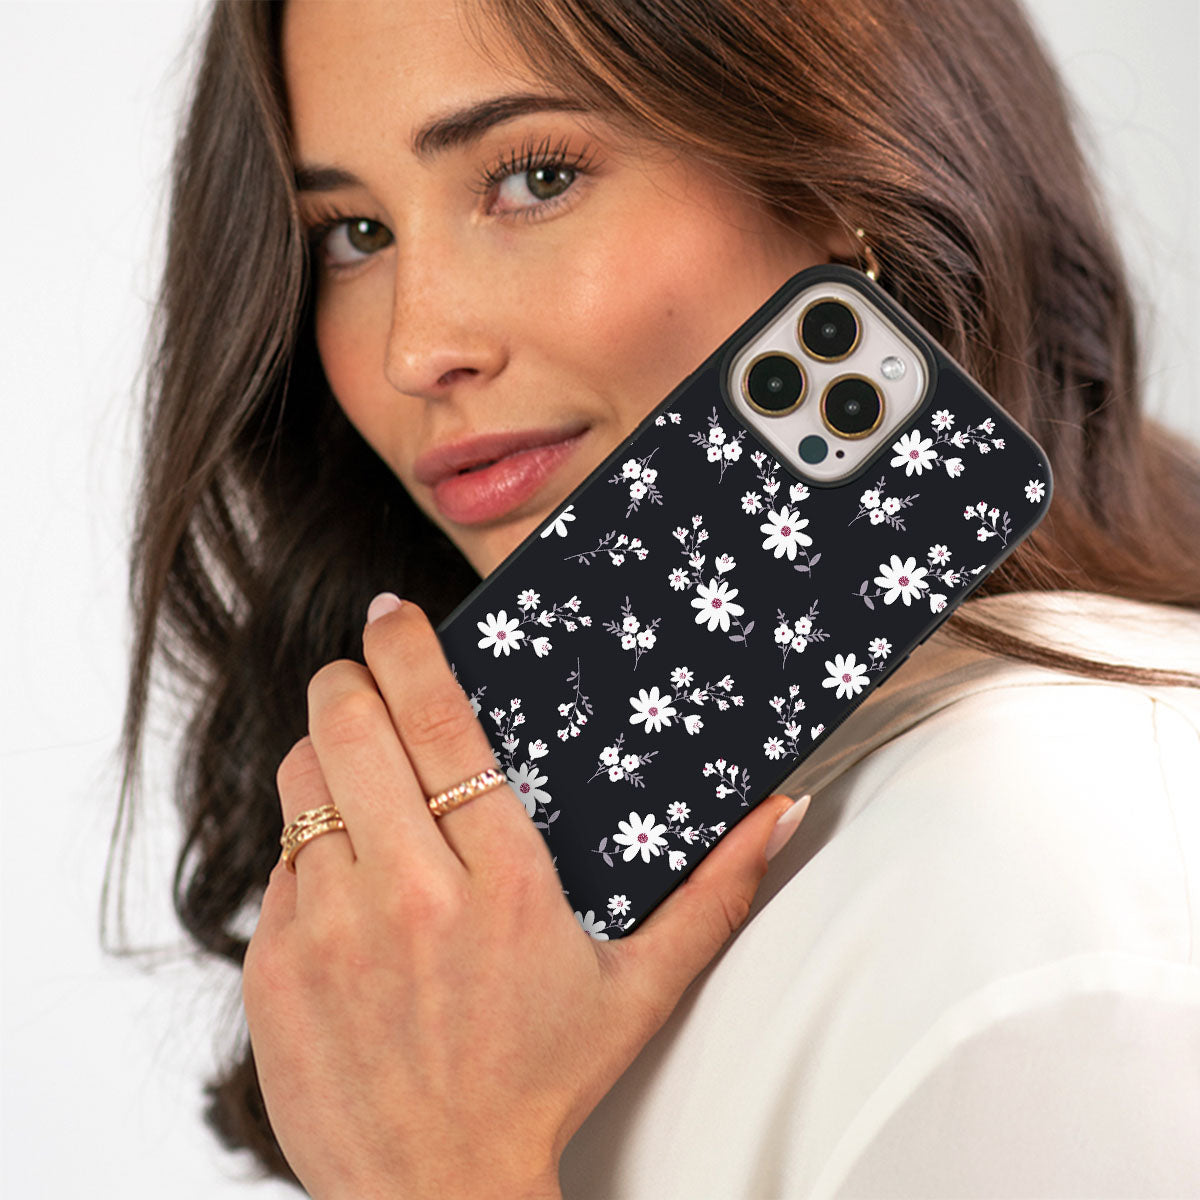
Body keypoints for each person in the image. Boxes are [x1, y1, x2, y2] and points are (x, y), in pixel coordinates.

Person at [107, 0, 1200, 1194]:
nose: (413, 349)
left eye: (534, 178)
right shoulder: (539, 895)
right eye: (354, 234)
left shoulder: (1047, 884)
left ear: (843, 184)